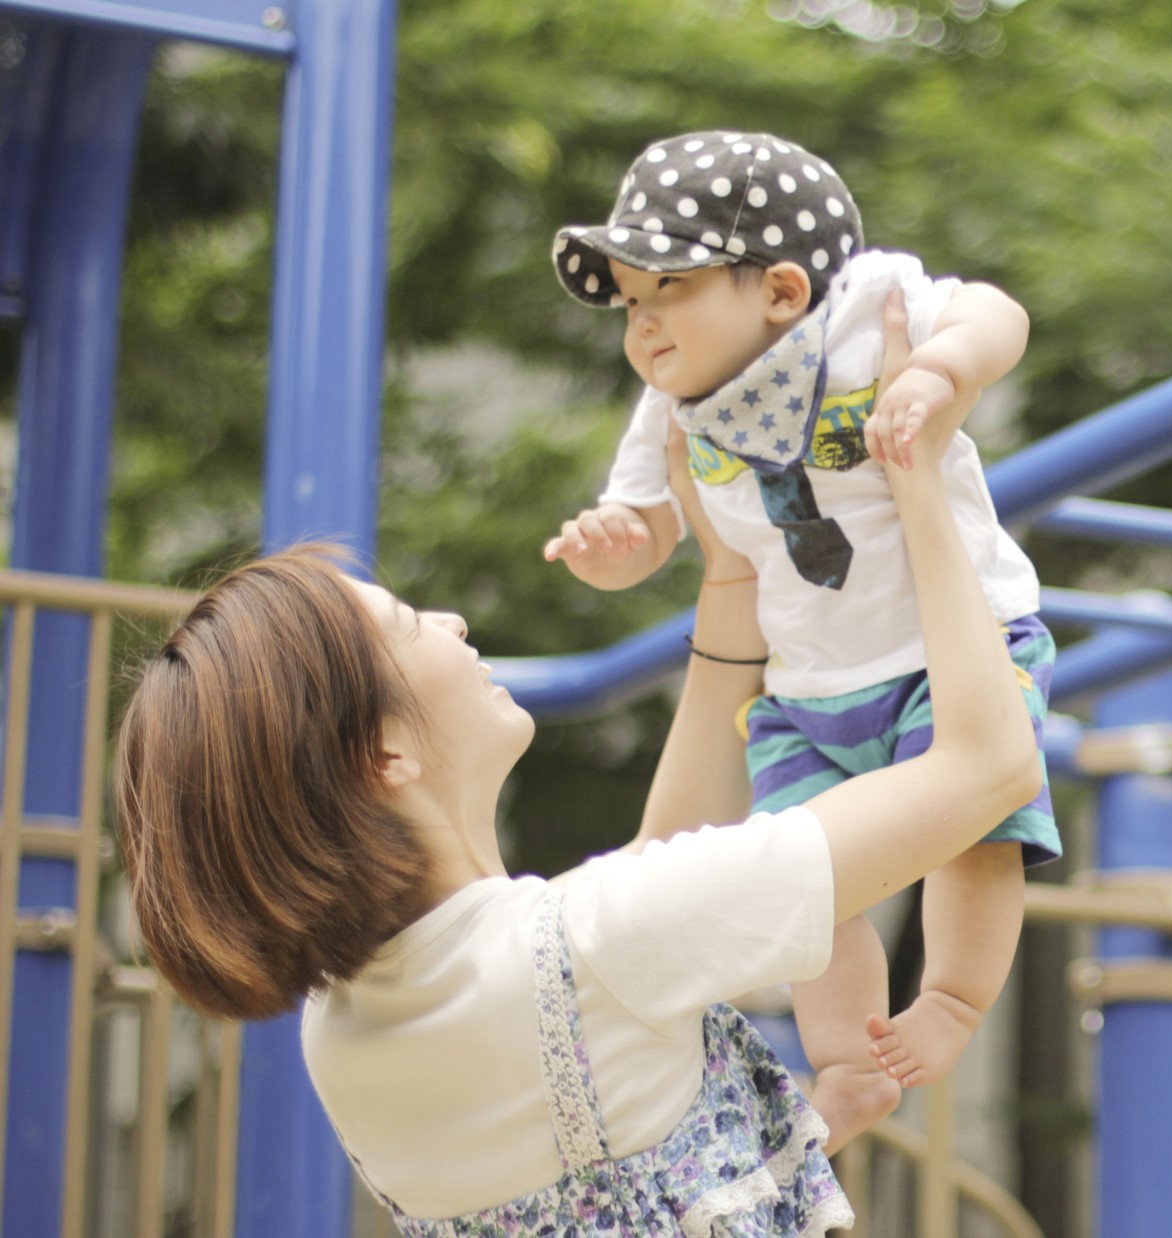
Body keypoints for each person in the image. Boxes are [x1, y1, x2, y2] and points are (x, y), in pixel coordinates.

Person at [113, 302, 1042, 1231]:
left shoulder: (345, 1034)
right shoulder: (604, 944)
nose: (451, 625)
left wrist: (731, 578)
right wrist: (915, 476)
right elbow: (989, 765)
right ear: (381, 753)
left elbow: (646, 888)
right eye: (408, 627)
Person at [541, 130, 1054, 1133]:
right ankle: (846, 1057)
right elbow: (652, 523)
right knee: (802, 882)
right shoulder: (673, 408)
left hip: (946, 652)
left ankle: (949, 999)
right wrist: (619, 545)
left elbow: (999, 312)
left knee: (975, 832)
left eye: (665, 293)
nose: (641, 329)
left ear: (779, 289)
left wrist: (940, 373)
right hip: (807, 687)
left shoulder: (867, 312)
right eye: (630, 307)